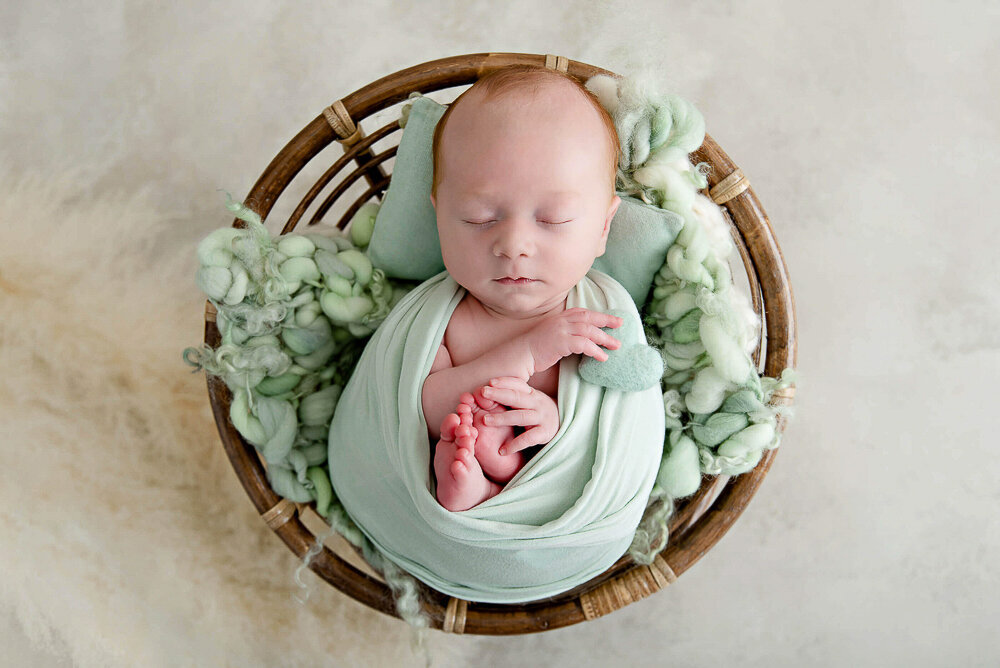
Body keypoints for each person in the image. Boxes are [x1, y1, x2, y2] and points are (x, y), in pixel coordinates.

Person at [423, 65, 627, 511]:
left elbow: (614, 433)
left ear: (602, 228)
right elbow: (422, 407)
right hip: (448, 472)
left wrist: (553, 425)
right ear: (438, 217)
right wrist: (528, 354)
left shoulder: (599, 320)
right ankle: (475, 489)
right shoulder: (439, 320)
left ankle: (494, 486)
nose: (514, 245)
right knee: (458, 441)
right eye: (480, 218)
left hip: (550, 502)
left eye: (552, 219)